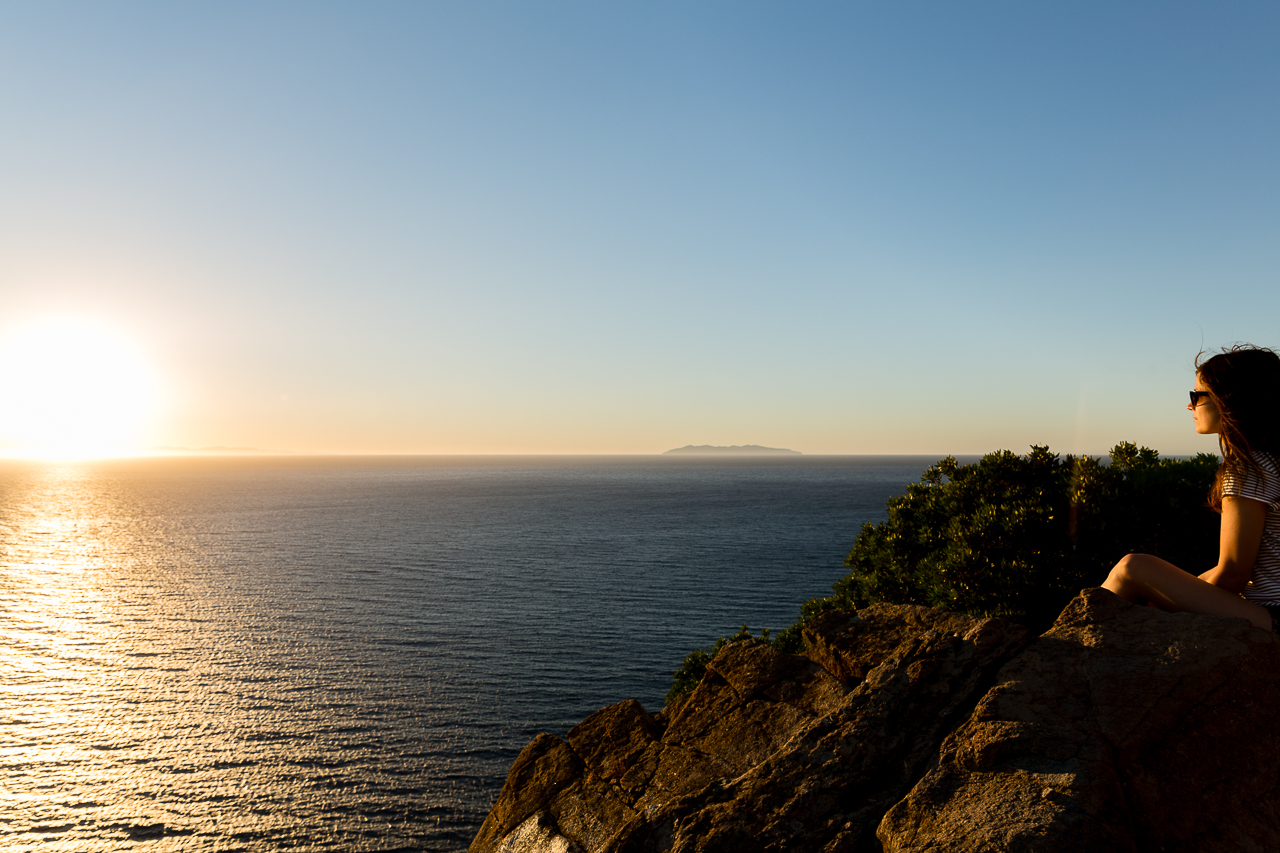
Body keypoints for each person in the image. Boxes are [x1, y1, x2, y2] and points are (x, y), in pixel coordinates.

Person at [1102, 345, 1280, 631]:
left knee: (1132, 567)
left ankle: (1072, 642)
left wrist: (1167, 601)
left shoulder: (1251, 467)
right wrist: (1182, 591)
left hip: (1273, 618)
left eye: (1196, 396)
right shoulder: (1273, 460)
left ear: (1230, 400)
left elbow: (1234, 573)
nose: (1189, 405)